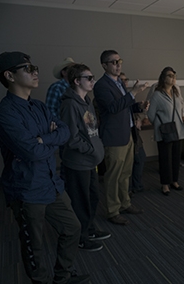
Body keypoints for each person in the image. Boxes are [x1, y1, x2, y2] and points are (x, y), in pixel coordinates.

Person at [0, 51, 89, 284]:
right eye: (28, 69)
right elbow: (31, 151)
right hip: (26, 189)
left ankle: (62, 276)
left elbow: (63, 132)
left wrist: (44, 139)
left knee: (73, 228)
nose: (36, 72)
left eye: (35, 68)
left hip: (52, 183)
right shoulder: (4, 113)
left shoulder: (39, 106)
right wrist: (48, 138)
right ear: (9, 75)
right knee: (34, 245)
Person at [92, 50, 148, 225]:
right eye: (113, 62)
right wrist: (133, 93)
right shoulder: (101, 85)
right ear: (104, 65)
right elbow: (113, 108)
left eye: (119, 61)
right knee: (113, 176)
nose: (118, 65)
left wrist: (139, 106)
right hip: (114, 137)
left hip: (127, 134)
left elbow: (126, 106)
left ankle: (125, 203)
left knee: (125, 174)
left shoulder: (119, 83)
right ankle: (112, 210)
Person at [60, 64, 111, 252]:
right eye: (88, 78)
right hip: (78, 162)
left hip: (90, 161)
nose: (92, 81)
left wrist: (96, 148)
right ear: (76, 81)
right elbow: (71, 139)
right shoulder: (70, 104)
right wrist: (91, 149)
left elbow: (91, 130)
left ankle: (89, 228)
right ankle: (80, 238)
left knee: (92, 197)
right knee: (80, 201)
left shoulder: (86, 100)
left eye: (92, 77)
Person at [147, 67, 184, 196]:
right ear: (163, 78)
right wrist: (160, 123)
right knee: (165, 159)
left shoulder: (176, 92)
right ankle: (165, 184)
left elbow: (181, 107)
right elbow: (150, 114)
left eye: (174, 75)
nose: (173, 78)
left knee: (176, 157)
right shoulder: (157, 95)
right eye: (170, 75)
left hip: (178, 130)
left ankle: (174, 181)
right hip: (164, 131)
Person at [119, 72, 147, 196]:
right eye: (122, 80)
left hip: (134, 133)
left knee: (140, 158)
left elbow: (130, 111)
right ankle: (126, 190)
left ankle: (136, 186)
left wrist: (140, 109)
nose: (125, 82)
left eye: (126, 79)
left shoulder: (127, 95)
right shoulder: (115, 95)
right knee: (125, 165)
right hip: (121, 134)